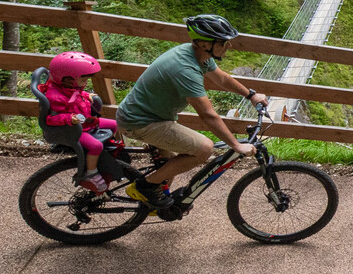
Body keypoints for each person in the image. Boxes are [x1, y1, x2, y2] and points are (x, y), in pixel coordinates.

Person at [115, 14, 267, 211]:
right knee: (203, 148)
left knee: (169, 165)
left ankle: (156, 201)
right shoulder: (185, 69)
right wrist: (237, 145)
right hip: (141, 122)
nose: (228, 46)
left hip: (152, 117)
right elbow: (207, 115)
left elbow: (222, 78)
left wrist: (251, 95)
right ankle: (144, 186)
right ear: (204, 43)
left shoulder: (199, 56)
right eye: (223, 42)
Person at [43, 50, 120, 193]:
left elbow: (76, 94)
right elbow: (51, 119)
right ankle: (91, 173)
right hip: (74, 130)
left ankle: (105, 155)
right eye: (83, 80)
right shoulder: (55, 97)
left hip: (86, 123)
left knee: (115, 124)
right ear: (67, 78)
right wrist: (68, 119)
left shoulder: (70, 87)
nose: (85, 83)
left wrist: (86, 95)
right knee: (95, 146)